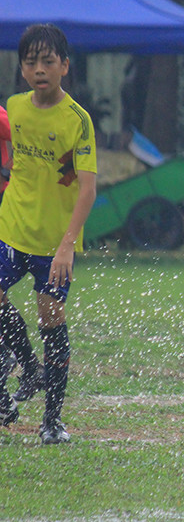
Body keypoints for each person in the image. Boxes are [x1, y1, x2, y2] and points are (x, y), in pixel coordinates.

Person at [0, 24, 97, 444]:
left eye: (48, 61)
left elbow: (88, 188)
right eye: (31, 61)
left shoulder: (78, 120)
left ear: (64, 67)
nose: (39, 69)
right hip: (11, 230)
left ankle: (52, 422)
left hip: (53, 245)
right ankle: (26, 365)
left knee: (50, 319)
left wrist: (66, 247)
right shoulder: (15, 109)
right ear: (22, 69)